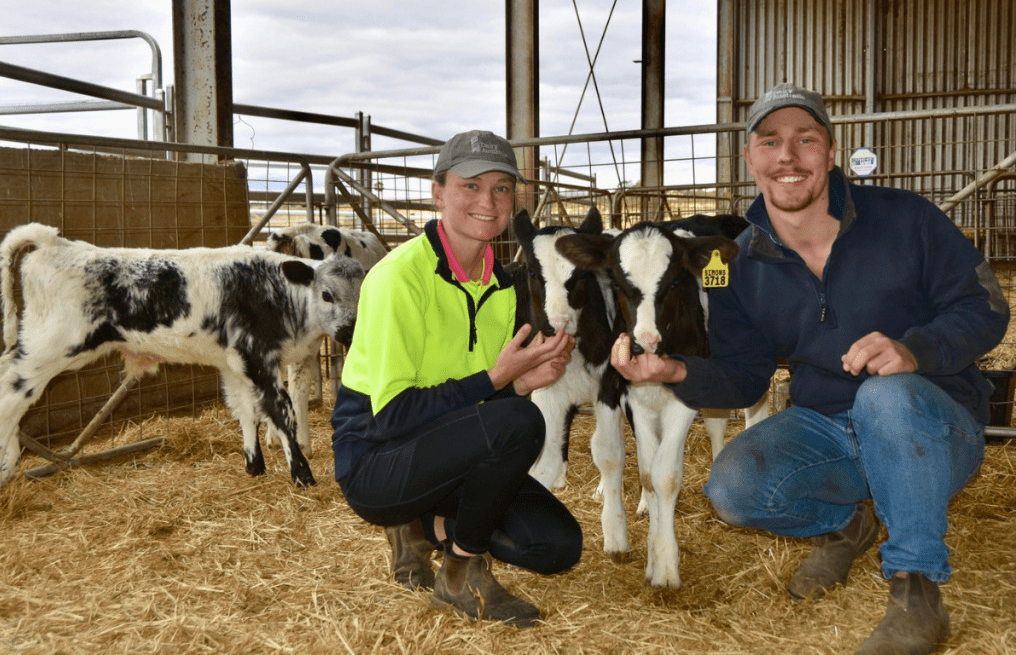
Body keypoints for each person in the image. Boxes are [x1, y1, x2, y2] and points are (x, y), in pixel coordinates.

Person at [609, 83, 1009, 654]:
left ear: (831, 151)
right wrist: (676, 373)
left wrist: (915, 350)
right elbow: (745, 374)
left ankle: (916, 586)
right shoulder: (738, 263)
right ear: (750, 159)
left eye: (806, 140)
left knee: (885, 396)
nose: (788, 157)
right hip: (827, 427)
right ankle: (847, 525)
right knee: (732, 488)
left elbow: (985, 307)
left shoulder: (907, 219)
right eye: (770, 142)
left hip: (931, 426)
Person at [331, 129, 582, 628]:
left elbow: (477, 411)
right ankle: (461, 574)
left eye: (502, 188)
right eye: (471, 185)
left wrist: (521, 383)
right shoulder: (399, 278)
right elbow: (393, 416)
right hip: (378, 460)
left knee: (556, 545)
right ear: (438, 193)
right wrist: (497, 379)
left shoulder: (501, 288)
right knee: (521, 423)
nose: (488, 201)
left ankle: (421, 530)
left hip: (444, 455)